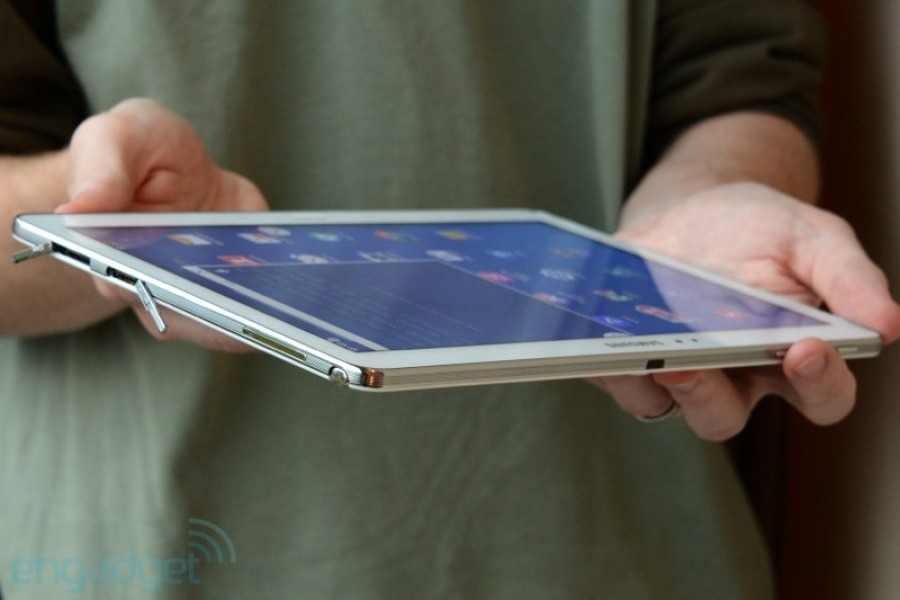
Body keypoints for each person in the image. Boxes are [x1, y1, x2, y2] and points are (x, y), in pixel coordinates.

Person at [1, 0, 899, 598]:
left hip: (627, 549)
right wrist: (125, 226)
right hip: (169, 552)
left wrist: (710, 191)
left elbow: (743, 74)